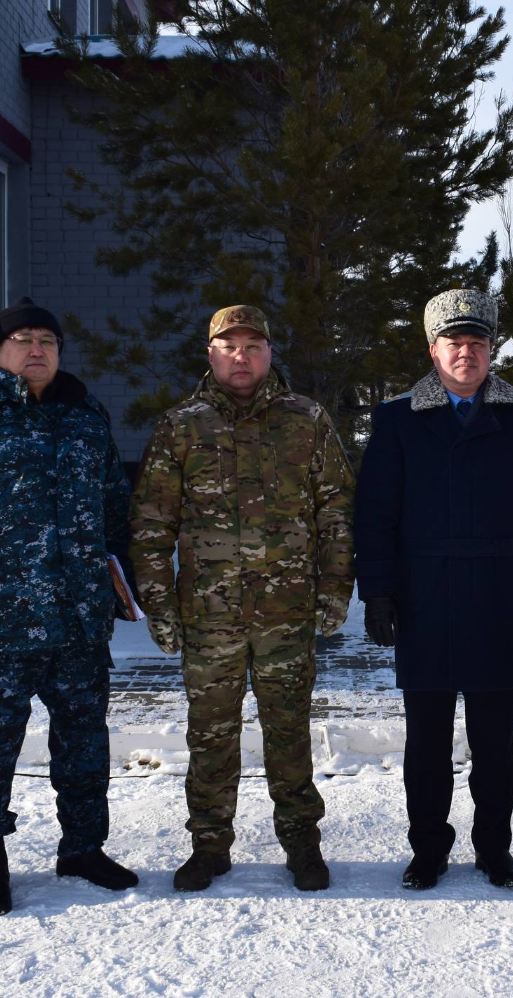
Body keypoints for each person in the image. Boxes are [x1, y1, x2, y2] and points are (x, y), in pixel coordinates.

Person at [0, 298, 136, 915]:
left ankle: (83, 848)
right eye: (22, 339)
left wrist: (119, 586)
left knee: (85, 742)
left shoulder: (86, 415)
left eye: (48, 339)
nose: (36, 349)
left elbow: (114, 508)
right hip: (0, 621)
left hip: (79, 621)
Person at [129, 305, 354, 893]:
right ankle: (208, 845)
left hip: (288, 614)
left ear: (270, 353)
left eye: (253, 345)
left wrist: (336, 590)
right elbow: (152, 521)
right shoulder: (182, 426)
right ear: (210, 353)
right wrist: (157, 603)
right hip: (209, 617)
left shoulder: (307, 420)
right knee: (210, 734)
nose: (242, 356)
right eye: (229, 346)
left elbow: (336, 510)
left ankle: (303, 842)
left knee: (289, 730)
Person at [354, 288, 513, 891]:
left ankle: (494, 848)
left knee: (494, 740)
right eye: (455, 342)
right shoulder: (398, 419)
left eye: (477, 343)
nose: (466, 353)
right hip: (421, 597)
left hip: (495, 594)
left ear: (491, 349)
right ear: (433, 350)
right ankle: (428, 849)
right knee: (426, 740)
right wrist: (377, 590)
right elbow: (375, 513)